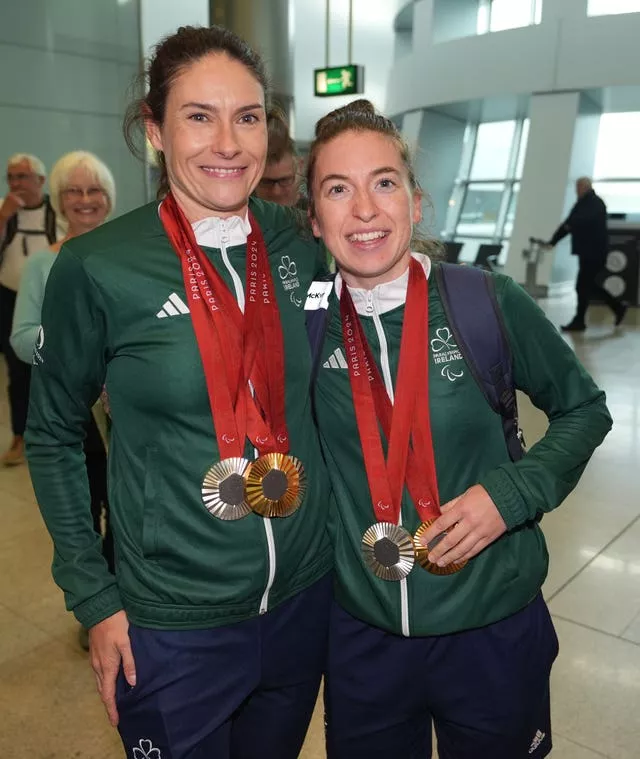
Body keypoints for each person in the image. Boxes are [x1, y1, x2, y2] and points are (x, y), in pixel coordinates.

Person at [25, 25, 332, 759]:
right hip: (174, 623)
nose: (228, 142)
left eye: (247, 116)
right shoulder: (99, 266)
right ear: (155, 130)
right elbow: (54, 432)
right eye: (199, 115)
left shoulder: (301, 241)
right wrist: (95, 597)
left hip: (304, 602)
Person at [306, 100, 613, 759]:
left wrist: (510, 495)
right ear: (313, 216)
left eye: (383, 182)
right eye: (338, 188)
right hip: (364, 636)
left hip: (493, 626)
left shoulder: (483, 299)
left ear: (416, 202)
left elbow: (585, 408)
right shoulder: (305, 326)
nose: (364, 209)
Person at [11, 150, 117, 651]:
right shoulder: (41, 265)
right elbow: (22, 337)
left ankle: (132, 597)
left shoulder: (128, 258)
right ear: (59, 200)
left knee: (128, 508)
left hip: (128, 415)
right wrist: (79, 360)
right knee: (87, 504)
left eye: (93, 190)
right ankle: (98, 607)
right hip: (73, 417)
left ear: (109, 198)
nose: (84, 200)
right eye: (73, 192)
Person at [0, 153, 64, 465]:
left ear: (40, 181)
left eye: (22, 177)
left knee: (53, 368)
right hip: (9, 300)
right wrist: (3, 216)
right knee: (17, 371)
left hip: (54, 300)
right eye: (11, 177)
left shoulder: (59, 211)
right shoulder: (3, 209)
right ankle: (19, 437)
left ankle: (56, 433)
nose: (15, 184)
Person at [547, 176, 626, 332]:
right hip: (588, 253)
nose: (576, 190)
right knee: (587, 286)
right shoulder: (584, 203)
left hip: (594, 253)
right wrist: (553, 241)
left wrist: (556, 238)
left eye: (578, 187)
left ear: (585, 187)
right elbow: (569, 224)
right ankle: (616, 308)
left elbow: (575, 222)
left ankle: (582, 320)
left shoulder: (594, 203)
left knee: (582, 286)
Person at [254, 107, 302, 207]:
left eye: (285, 180)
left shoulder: (316, 214)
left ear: (300, 169)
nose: (276, 192)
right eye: (266, 182)